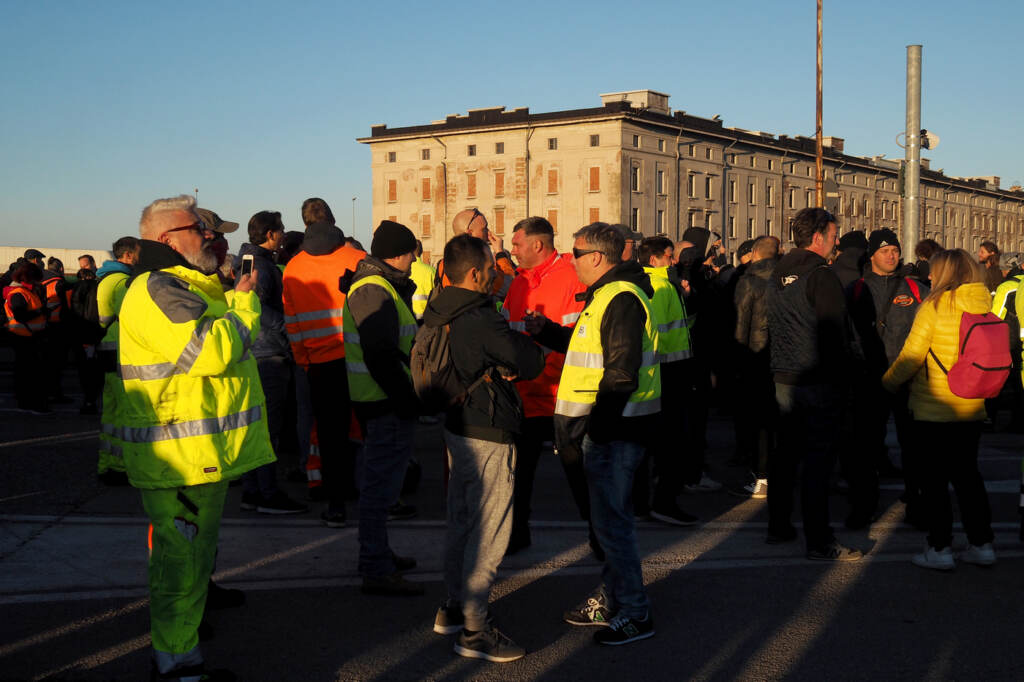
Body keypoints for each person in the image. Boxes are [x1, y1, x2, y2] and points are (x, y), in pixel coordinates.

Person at [116, 194, 275, 680]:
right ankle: (175, 661)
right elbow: (211, 350)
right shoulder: (158, 288)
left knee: (190, 561)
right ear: (166, 238)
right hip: (179, 459)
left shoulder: (180, 284)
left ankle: (181, 655)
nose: (209, 235)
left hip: (197, 456)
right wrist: (245, 302)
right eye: (198, 229)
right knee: (179, 566)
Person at [528, 222, 660, 645]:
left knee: (613, 525)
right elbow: (594, 351)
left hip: (611, 431)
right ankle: (614, 597)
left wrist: (598, 432)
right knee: (606, 524)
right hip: (603, 428)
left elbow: (620, 372)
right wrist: (548, 333)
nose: (571, 259)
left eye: (576, 252)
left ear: (598, 258)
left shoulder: (620, 297)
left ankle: (636, 611)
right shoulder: (607, 294)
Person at [425, 234, 545, 662]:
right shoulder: (479, 315)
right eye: (491, 271)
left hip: (455, 425)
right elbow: (529, 361)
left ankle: (454, 606)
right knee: (489, 531)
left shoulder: (436, 309)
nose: (496, 277)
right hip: (488, 427)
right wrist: (518, 351)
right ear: (475, 274)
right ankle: (476, 630)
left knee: (460, 519)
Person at [882, 249, 996, 570]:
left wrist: (887, 384)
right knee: (968, 477)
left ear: (945, 273)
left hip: (933, 406)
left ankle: (940, 547)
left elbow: (911, 357)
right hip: (972, 405)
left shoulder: (933, 306)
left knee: (933, 481)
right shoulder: (983, 303)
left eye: (934, 271)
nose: (929, 276)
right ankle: (982, 543)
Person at [766, 207, 862, 561]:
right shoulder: (821, 275)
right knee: (818, 463)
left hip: (783, 375)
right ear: (819, 237)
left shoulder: (778, 271)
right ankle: (819, 540)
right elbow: (834, 332)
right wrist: (845, 378)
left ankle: (778, 525)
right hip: (818, 378)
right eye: (835, 237)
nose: (836, 244)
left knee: (785, 456)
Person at [343, 220, 423, 595]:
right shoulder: (374, 289)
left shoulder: (378, 286)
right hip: (383, 401)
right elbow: (381, 355)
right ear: (401, 254)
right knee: (379, 490)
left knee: (384, 487)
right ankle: (375, 566)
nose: (414, 260)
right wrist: (405, 399)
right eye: (412, 253)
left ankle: (380, 555)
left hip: (381, 398)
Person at [502, 216, 587, 555]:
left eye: (517, 244)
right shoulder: (518, 282)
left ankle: (601, 535)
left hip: (560, 395)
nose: (512, 250)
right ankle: (516, 533)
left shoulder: (570, 276)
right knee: (518, 475)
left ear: (538, 245)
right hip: (524, 396)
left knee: (578, 473)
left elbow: (576, 338)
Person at [282, 197, 366, 527]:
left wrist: (304, 361)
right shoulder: (357, 258)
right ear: (332, 220)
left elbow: (293, 322)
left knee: (329, 435)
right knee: (369, 430)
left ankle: (335, 503)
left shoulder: (293, 267)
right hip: (358, 358)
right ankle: (377, 497)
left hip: (319, 364)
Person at [845, 229, 929, 530]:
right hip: (869, 380)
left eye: (894, 249)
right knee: (865, 447)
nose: (891, 255)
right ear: (872, 256)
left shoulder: (916, 289)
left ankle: (917, 505)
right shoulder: (856, 289)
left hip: (907, 378)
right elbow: (846, 333)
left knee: (914, 446)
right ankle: (863, 507)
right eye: (884, 251)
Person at [235, 211, 307, 515]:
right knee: (268, 428)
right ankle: (266, 491)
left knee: (258, 426)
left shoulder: (250, 261)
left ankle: (254, 490)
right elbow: (261, 309)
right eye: (281, 230)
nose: (284, 235)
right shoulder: (260, 265)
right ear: (270, 234)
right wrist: (290, 330)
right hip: (268, 354)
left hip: (259, 351)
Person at [636, 235, 698, 525]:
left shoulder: (651, 284)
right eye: (669, 256)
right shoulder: (660, 287)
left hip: (656, 374)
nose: (674, 261)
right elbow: (662, 335)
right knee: (671, 444)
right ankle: (664, 502)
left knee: (648, 445)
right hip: (669, 374)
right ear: (654, 260)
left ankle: (641, 503)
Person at [731, 235, 780, 498]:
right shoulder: (789, 280)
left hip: (756, 356)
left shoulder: (749, 281)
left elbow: (741, 324)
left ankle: (761, 477)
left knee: (759, 422)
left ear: (756, 254)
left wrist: (737, 363)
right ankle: (779, 473)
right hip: (784, 359)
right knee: (779, 419)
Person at [94, 236, 140, 484]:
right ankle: (121, 467)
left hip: (106, 350)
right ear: (129, 255)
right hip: (119, 350)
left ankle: (108, 464)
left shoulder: (105, 278)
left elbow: (101, 319)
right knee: (124, 412)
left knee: (111, 413)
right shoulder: (121, 282)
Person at [3, 260, 49, 413]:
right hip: (23, 337)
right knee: (27, 372)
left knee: (27, 371)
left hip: (28, 335)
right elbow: (21, 315)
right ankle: (28, 402)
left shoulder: (27, 292)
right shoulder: (19, 294)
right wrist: (40, 312)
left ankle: (28, 400)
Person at [409, 240, 436, 322]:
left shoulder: (405, 271)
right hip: (427, 318)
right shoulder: (431, 271)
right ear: (421, 252)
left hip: (408, 317)